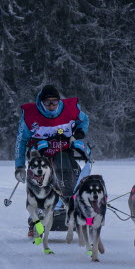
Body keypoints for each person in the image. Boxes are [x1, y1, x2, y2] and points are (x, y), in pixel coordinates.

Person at [15, 84, 93, 231]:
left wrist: (78, 134)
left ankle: (70, 208)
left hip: (63, 150)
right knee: (43, 178)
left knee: (67, 172)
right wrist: (19, 166)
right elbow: (21, 141)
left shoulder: (70, 109)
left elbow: (84, 120)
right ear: (41, 102)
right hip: (40, 153)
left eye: (54, 102)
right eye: (47, 103)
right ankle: (37, 215)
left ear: (59, 101)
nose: (51, 106)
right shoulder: (30, 116)